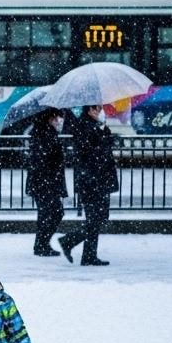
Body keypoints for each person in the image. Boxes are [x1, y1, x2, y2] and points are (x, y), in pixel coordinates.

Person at [58, 105, 119, 266]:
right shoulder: (84, 126)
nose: (98, 111)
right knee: (96, 218)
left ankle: (87, 254)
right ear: (88, 110)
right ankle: (71, 243)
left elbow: (103, 145)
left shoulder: (93, 125)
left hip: (97, 180)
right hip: (92, 181)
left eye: (99, 108)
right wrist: (104, 138)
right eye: (94, 108)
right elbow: (92, 152)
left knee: (98, 218)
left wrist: (104, 131)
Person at [25, 108, 67, 256]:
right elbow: (42, 159)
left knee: (49, 213)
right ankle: (41, 245)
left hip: (45, 181)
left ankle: (42, 244)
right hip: (45, 182)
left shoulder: (45, 133)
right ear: (48, 118)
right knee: (52, 213)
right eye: (55, 117)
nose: (58, 121)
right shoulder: (43, 134)